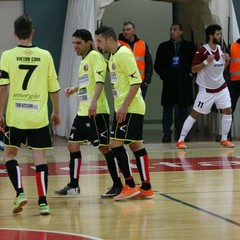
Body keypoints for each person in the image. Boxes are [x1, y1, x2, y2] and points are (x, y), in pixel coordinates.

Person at [0, 15, 61, 215]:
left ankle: (20, 193)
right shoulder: (45, 55)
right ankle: (43, 202)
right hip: (38, 117)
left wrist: (0, 114)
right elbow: (54, 88)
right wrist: (57, 112)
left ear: (15, 33)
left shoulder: (7, 56)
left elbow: (2, 89)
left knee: (9, 155)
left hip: (16, 116)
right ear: (32, 32)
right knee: (40, 159)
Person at [54, 29, 123, 198]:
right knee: (72, 145)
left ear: (89, 43)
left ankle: (118, 184)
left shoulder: (95, 57)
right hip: (83, 111)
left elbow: (100, 80)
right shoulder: (85, 59)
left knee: (104, 147)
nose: (75, 47)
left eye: (78, 43)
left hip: (96, 112)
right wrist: (75, 89)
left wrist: (93, 102)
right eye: (73, 43)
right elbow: (89, 82)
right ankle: (73, 185)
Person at [95, 25, 154, 201]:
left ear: (110, 39)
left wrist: (124, 106)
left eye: (100, 41)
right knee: (136, 146)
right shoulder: (113, 55)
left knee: (115, 144)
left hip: (130, 107)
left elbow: (136, 82)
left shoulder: (124, 54)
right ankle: (146, 187)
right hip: (125, 107)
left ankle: (129, 184)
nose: (99, 45)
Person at [176, 24, 234, 149]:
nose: (220, 36)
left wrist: (228, 61)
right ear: (211, 36)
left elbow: (220, 69)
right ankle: (180, 140)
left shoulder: (221, 49)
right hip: (206, 90)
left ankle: (224, 139)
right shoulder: (202, 50)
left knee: (228, 110)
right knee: (195, 114)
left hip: (221, 87)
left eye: (220, 33)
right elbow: (193, 69)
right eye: (218, 34)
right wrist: (206, 62)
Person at [154, 23, 196, 143]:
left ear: (181, 32)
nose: (172, 32)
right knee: (167, 108)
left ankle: (182, 133)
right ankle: (166, 133)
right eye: (171, 30)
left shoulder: (189, 46)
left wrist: (190, 75)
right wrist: (164, 76)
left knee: (183, 109)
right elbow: (157, 65)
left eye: (175, 30)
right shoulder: (164, 46)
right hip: (169, 82)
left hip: (184, 82)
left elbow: (195, 63)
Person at [118, 21, 153, 99]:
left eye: (128, 29)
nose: (125, 32)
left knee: (138, 110)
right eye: (124, 30)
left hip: (140, 83)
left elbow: (149, 63)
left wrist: (146, 81)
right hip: (124, 83)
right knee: (122, 108)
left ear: (134, 31)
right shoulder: (118, 45)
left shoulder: (142, 44)